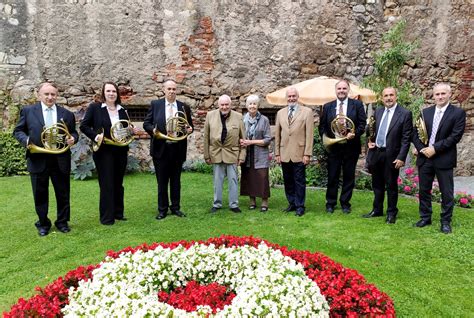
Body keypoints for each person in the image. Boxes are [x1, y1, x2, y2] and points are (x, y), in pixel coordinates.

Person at [13, 82, 78, 236]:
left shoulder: (67, 114)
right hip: (38, 158)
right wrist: (27, 141)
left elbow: (74, 133)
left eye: (53, 94)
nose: (50, 97)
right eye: (46, 94)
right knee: (40, 193)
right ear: (39, 95)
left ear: (57, 95)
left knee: (63, 193)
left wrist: (73, 139)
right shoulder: (28, 111)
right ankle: (43, 223)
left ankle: (62, 222)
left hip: (60, 158)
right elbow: (18, 131)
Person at [80, 82, 139, 225]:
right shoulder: (95, 108)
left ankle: (118, 213)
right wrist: (96, 136)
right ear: (103, 93)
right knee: (107, 183)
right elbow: (84, 126)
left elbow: (125, 128)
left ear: (117, 94)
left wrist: (132, 130)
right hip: (104, 150)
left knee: (118, 182)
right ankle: (107, 217)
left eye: (114, 91)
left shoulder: (122, 110)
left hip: (120, 149)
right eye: (108, 91)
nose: (111, 93)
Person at [412, 83, 466, 234]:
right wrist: (422, 149)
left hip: (444, 158)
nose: (440, 97)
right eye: (437, 94)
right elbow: (415, 133)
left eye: (443, 94)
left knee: (446, 192)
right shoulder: (425, 112)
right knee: (424, 190)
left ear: (450, 94)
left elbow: (455, 136)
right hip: (425, 158)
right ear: (433, 95)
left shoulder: (458, 113)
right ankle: (425, 217)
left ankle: (446, 221)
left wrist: (434, 148)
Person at [143, 79, 193, 220]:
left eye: (174, 89)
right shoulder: (156, 104)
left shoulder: (184, 107)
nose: (171, 91)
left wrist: (190, 129)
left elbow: (190, 126)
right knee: (162, 181)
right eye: (169, 89)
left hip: (177, 149)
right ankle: (162, 209)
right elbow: (146, 123)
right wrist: (153, 130)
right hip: (161, 148)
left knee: (176, 181)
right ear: (164, 90)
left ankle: (176, 208)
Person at [364, 87, 413, 224]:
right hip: (376, 153)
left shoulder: (405, 114)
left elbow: (406, 138)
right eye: (386, 96)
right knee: (377, 184)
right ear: (382, 98)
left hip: (392, 155)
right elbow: (371, 130)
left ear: (396, 96)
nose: (388, 98)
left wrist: (401, 157)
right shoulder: (378, 111)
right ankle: (377, 209)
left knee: (391, 185)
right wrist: (369, 141)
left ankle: (391, 213)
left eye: (391, 95)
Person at [318, 79, 367, 214]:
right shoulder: (327, 106)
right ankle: (330, 203)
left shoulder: (357, 105)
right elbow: (321, 126)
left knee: (348, 176)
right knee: (332, 176)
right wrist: (327, 138)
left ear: (348, 90)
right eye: (339, 89)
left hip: (351, 147)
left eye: (344, 88)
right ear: (335, 90)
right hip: (334, 147)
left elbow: (363, 124)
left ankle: (345, 203)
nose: (341, 91)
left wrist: (354, 133)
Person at [274, 87, 314, 217]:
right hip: (285, 153)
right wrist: (277, 153)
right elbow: (277, 134)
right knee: (288, 180)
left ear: (297, 97)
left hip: (299, 153)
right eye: (289, 96)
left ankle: (300, 205)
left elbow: (309, 135)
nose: (291, 98)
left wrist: (307, 154)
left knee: (299, 181)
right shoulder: (280, 113)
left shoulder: (307, 112)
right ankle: (291, 202)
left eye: (293, 96)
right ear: (287, 98)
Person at [204, 94, 246, 213]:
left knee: (233, 180)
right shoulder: (210, 115)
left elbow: (243, 139)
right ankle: (217, 204)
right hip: (216, 153)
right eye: (222, 104)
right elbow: (206, 137)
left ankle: (234, 204)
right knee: (217, 181)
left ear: (230, 105)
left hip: (232, 154)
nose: (224, 107)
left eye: (226, 104)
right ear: (218, 105)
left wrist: (242, 156)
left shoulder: (238, 117)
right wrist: (206, 155)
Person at [240, 94, 272, 212]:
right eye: (250, 104)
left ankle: (264, 201)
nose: (252, 106)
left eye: (254, 104)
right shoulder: (242, 119)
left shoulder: (264, 120)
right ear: (247, 105)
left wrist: (251, 142)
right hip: (247, 153)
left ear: (258, 105)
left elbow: (268, 140)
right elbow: (239, 135)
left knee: (262, 177)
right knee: (249, 176)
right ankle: (252, 201)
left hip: (260, 153)